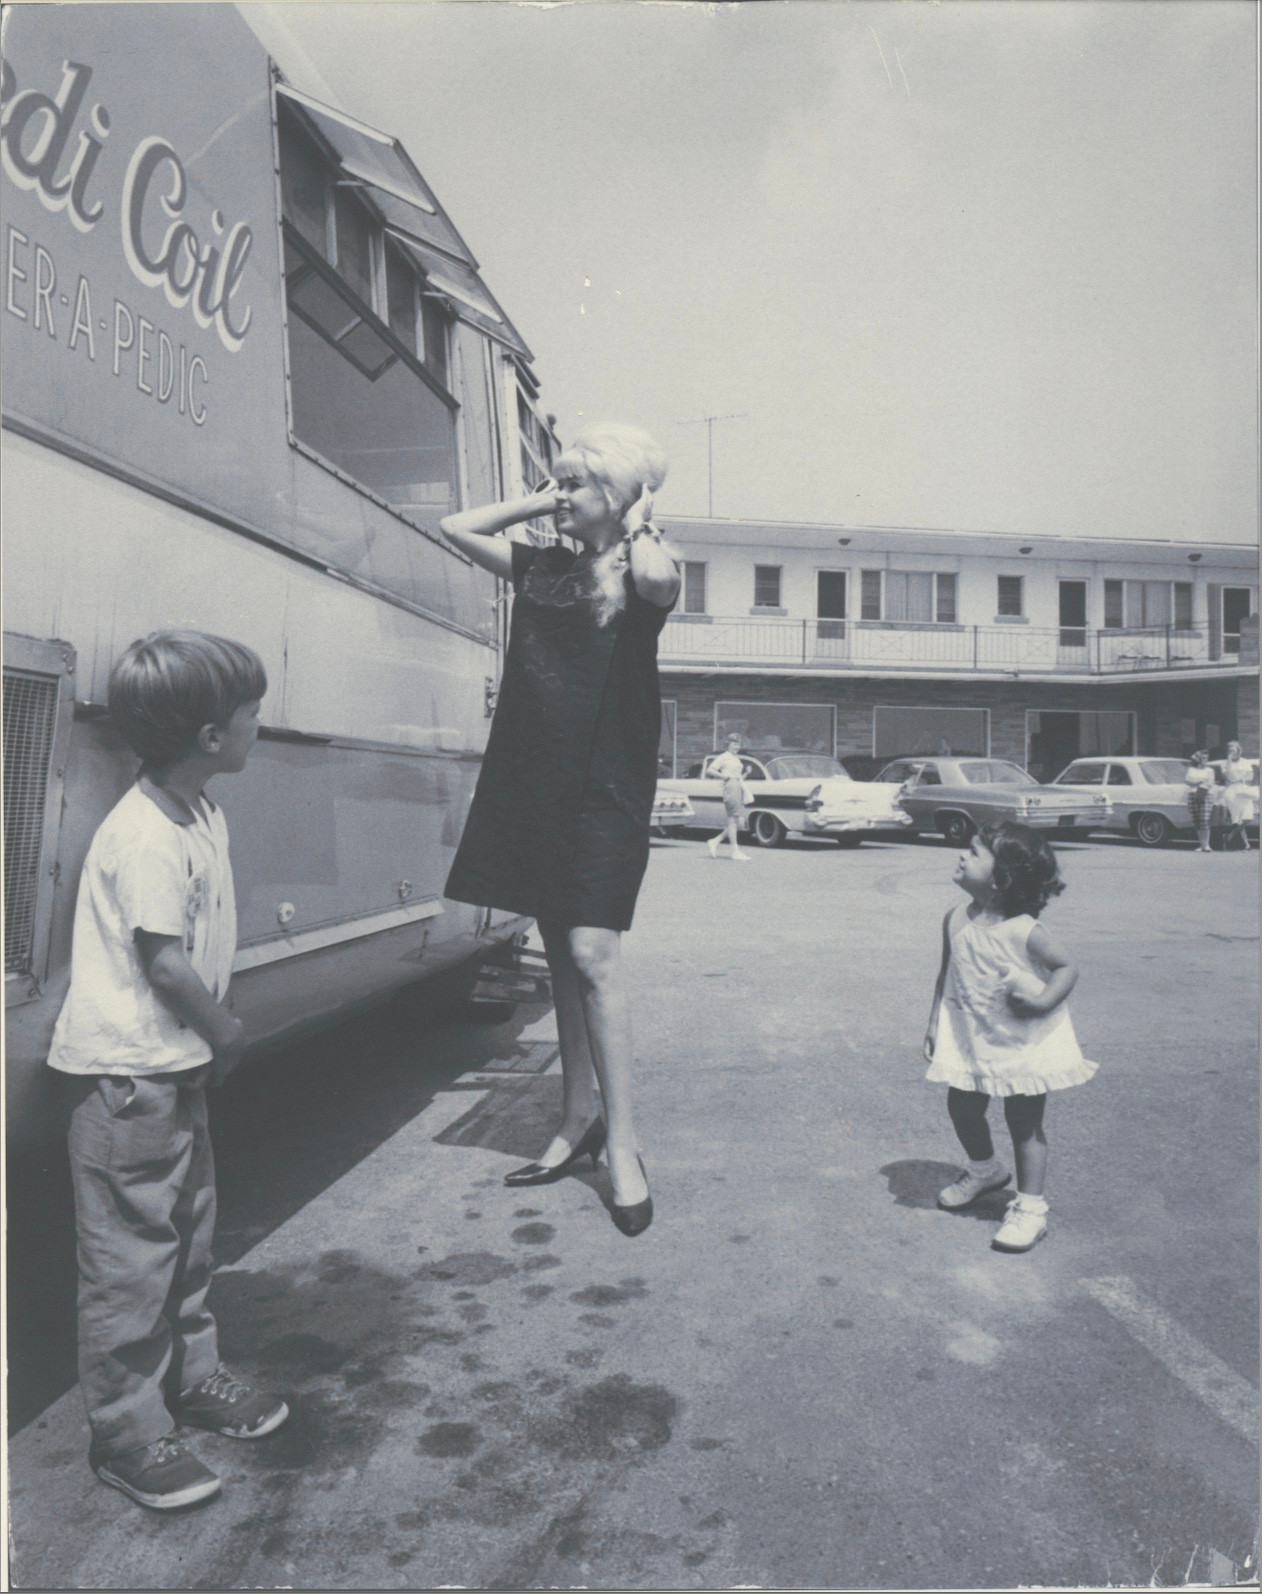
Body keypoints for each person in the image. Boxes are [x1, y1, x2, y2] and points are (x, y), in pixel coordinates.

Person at [47, 631, 288, 1511]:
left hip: (169, 1068)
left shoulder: (198, 812)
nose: (262, 725)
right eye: (253, 714)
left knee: (187, 1239)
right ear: (211, 738)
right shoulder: (147, 834)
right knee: (130, 1263)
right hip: (127, 1081)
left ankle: (192, 1378)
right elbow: (166, 967)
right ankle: (128, 1434)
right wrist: (228, 1035)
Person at [440, 424, 680, 1237]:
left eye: (575, 484)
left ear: (617, 497)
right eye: (557, 482)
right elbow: (456, 527)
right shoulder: (542, 567)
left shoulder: (644, 569)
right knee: (562, 960)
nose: (560, 495)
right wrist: (543, 498)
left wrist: (637, 517)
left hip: (608, 789)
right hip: (534, 783)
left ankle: (625, 1145)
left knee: (593, 955)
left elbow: (656, 578)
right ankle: (577, 1120)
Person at [923, 822, 1096, 1253]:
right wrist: (935, 1023)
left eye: (974, 853)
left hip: (1022, 1041)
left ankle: (1031, 1210)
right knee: (962, 1107)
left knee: (1024, 1123)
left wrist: (1041, 1002)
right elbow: (946, 974)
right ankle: (985, 1171)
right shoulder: (955, 919)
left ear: (1001, 879)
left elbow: (1066, 967)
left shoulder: (1023, 930)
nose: (962, 856)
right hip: (972, 1034)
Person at [706, 733, 751, 860]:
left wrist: (746, 773)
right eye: (734, 744)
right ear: (728, 744)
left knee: (737, 821)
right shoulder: (724, 757)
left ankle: (715, 841)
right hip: (731, 787)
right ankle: (734, 851)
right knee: (733, 819)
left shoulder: (735, 758)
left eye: (738, 744)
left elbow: (737, 777)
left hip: (738, 786)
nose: (736, 746)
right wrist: (723, 776)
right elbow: (710, 770)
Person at [1221, 741, 1255, 851]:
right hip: (1231, 792)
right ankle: (1246, 844)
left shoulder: (1246, 762)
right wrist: (1229, 762)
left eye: (1233, 750)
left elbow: (1250, 778)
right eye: (1229, 751)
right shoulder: (1224, 764)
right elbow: (1226, 777)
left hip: (1244, 790)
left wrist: (1238, 780)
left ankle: (1229, 836)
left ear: (1238, 750)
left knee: (1248, 818)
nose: (1231, 753)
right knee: (1238, 819)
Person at [1185, 750, 1216, 853]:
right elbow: (1187, 781)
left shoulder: (1210, 770)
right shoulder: (1191, 770)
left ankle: (1207, 845)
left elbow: (1210, 783)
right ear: (1198, 759)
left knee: (1204, 820)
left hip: (1205, 794)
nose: (1205, 760)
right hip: (1193, 794)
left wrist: (1197, 784)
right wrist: (1198, 782)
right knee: (1197, 820)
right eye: (1203, 758)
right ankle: (1202, 845)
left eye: (1206, 758)